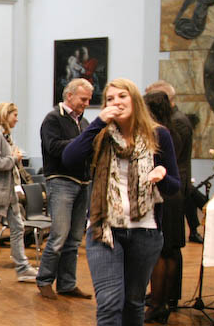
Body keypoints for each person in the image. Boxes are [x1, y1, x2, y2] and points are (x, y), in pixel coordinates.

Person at [62, 78, 180, 326]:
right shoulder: (100, 134)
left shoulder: (158, 135)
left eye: (122, 96)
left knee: (133, 302)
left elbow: (174, 187)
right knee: (109, 302)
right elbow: (69, 158)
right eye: (110, 99)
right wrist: (99, 121)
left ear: (134, 100)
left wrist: (162, 175)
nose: (116, 102)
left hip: (145, 231)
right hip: (105, 229)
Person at [36, 78, 94, 300]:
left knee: (74, 238)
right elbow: (53, 147)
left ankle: (67, 284)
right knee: (59, 235)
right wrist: (81, 142)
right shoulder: (53, 119)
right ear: (69, 96)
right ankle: (44, 280)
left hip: (83, 182)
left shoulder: (84, 121)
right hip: (61, 181)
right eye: (83, 98)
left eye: (89, 99)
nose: (87, 103)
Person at [0, 102, 38, 283]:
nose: (17, 119)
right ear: (5, 115)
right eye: (14, 115)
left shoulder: (5, 137)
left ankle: (22, 267)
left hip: (8, 193)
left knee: (18, 227)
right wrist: (14, 158)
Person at [143, 91, 186, 323]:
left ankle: (157, 304)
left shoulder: (160, 133)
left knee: (161, 252)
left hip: (165, 193)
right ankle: (164, 300)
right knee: (170, 252)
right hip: (175, 195)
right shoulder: (175, 129)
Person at [145, 80, 200, 243]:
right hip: (169, 183)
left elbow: (170, 158)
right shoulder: (172, 121)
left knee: (169, 243)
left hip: (171, 187)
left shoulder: (176, 122)